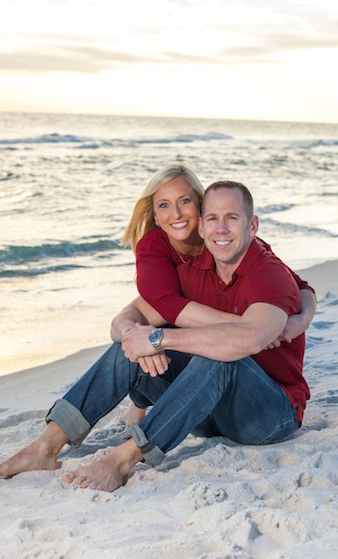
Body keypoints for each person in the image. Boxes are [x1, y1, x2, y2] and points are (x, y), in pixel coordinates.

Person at [0, 180, 311, 493]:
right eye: (212, 218)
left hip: (268, 415)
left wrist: (159, 340)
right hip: (204, 414)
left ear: (252, 226)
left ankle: (122, 462)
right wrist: (137, 338)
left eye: (232, 218)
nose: (221, 229)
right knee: (127, 346)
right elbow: (123, 321)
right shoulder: (192, 272)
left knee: (221, 359)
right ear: (201, 226)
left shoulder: (268, 274)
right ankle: (46, 445)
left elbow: (250, 340)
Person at [120, 164, 316, 425]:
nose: (176, 213)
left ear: (200, 207)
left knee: (216, 352)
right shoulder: (155, 246)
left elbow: (294, 283)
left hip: (219, 335)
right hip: (177, 317)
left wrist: (303, 318)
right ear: (155, 214)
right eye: (164, 205)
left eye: (185, 201)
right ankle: (139, 404)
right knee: (140, 341)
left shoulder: (228, 235)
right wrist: (249, 329)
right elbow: (162, 304)